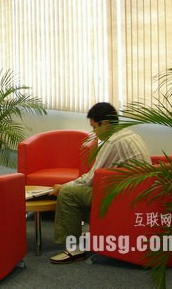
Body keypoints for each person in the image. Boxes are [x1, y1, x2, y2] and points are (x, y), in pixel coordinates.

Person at [49, 102, 151, 264]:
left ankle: (74, 249)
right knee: (78, 193)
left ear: (104, 124)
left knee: (68, 194)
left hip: (125, 198)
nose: (94, 132)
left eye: (94, 127)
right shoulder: (129, 134)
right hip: (139, 194)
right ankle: (92, 233)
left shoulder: (113, 142)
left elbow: (92, 178)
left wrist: (64, 186)